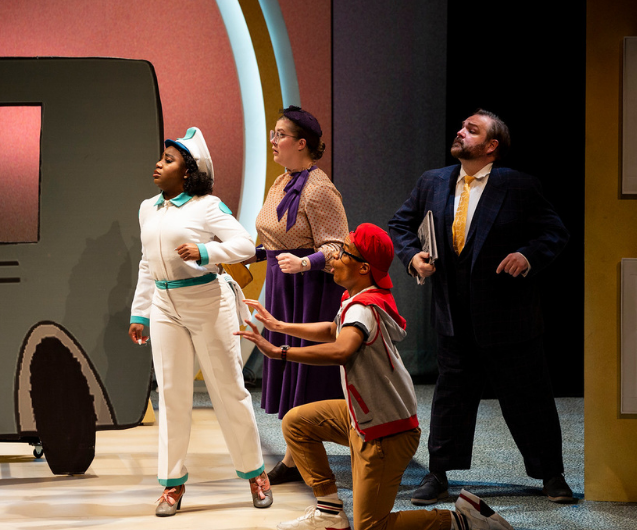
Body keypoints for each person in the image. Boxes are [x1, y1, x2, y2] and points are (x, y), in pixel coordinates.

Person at [235, 223, 514, 530]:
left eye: (344, 252)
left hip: (385, 432)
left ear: (364, 267)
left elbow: (342, 349)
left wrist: (280, 352)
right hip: (364, 417)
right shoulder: (359, 298)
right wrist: (280, 326)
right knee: (297, 422)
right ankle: (329, 512)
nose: (335, 258)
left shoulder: (364, 308)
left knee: (371, 527)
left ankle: (463, 520)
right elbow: (333, 330)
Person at [388, 109, 574, 505]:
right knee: (451, 399)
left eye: (471, 130)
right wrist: (412, 257)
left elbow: (554, 231)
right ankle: (438, 474)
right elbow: (400, 225)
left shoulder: (519, 185)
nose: (460, 132)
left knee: (529, 399)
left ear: (492, 146)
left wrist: (527, 255)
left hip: (510, 317)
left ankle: (551, 475)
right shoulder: (433, 182)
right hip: (453, 316)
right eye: (462, 127)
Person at [128, 127, 273, 516]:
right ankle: (172, 485)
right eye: (162, 157)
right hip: (164, 305)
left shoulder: (207, 206)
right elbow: (147, 263)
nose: (159, 163)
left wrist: (206, 250)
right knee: (172, 394)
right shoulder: (147, 207)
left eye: (170, 159)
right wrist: (140, 312)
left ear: (189, 171)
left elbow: (245, 244)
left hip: (208, 301)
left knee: (228, 389)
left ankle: (255, 474)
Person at [253, 105, 348, 484]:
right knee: (290, 370)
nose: (273, 141)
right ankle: (298, 455)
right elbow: (278, 237)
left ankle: (298, 458)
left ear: (301, 142)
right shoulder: (282, 181)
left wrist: (306, 264)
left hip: (309, 291)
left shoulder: (319, 189)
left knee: (304, 374)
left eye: (280, 134)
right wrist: (256, 253)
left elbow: (338, 247)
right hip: (283, 284)